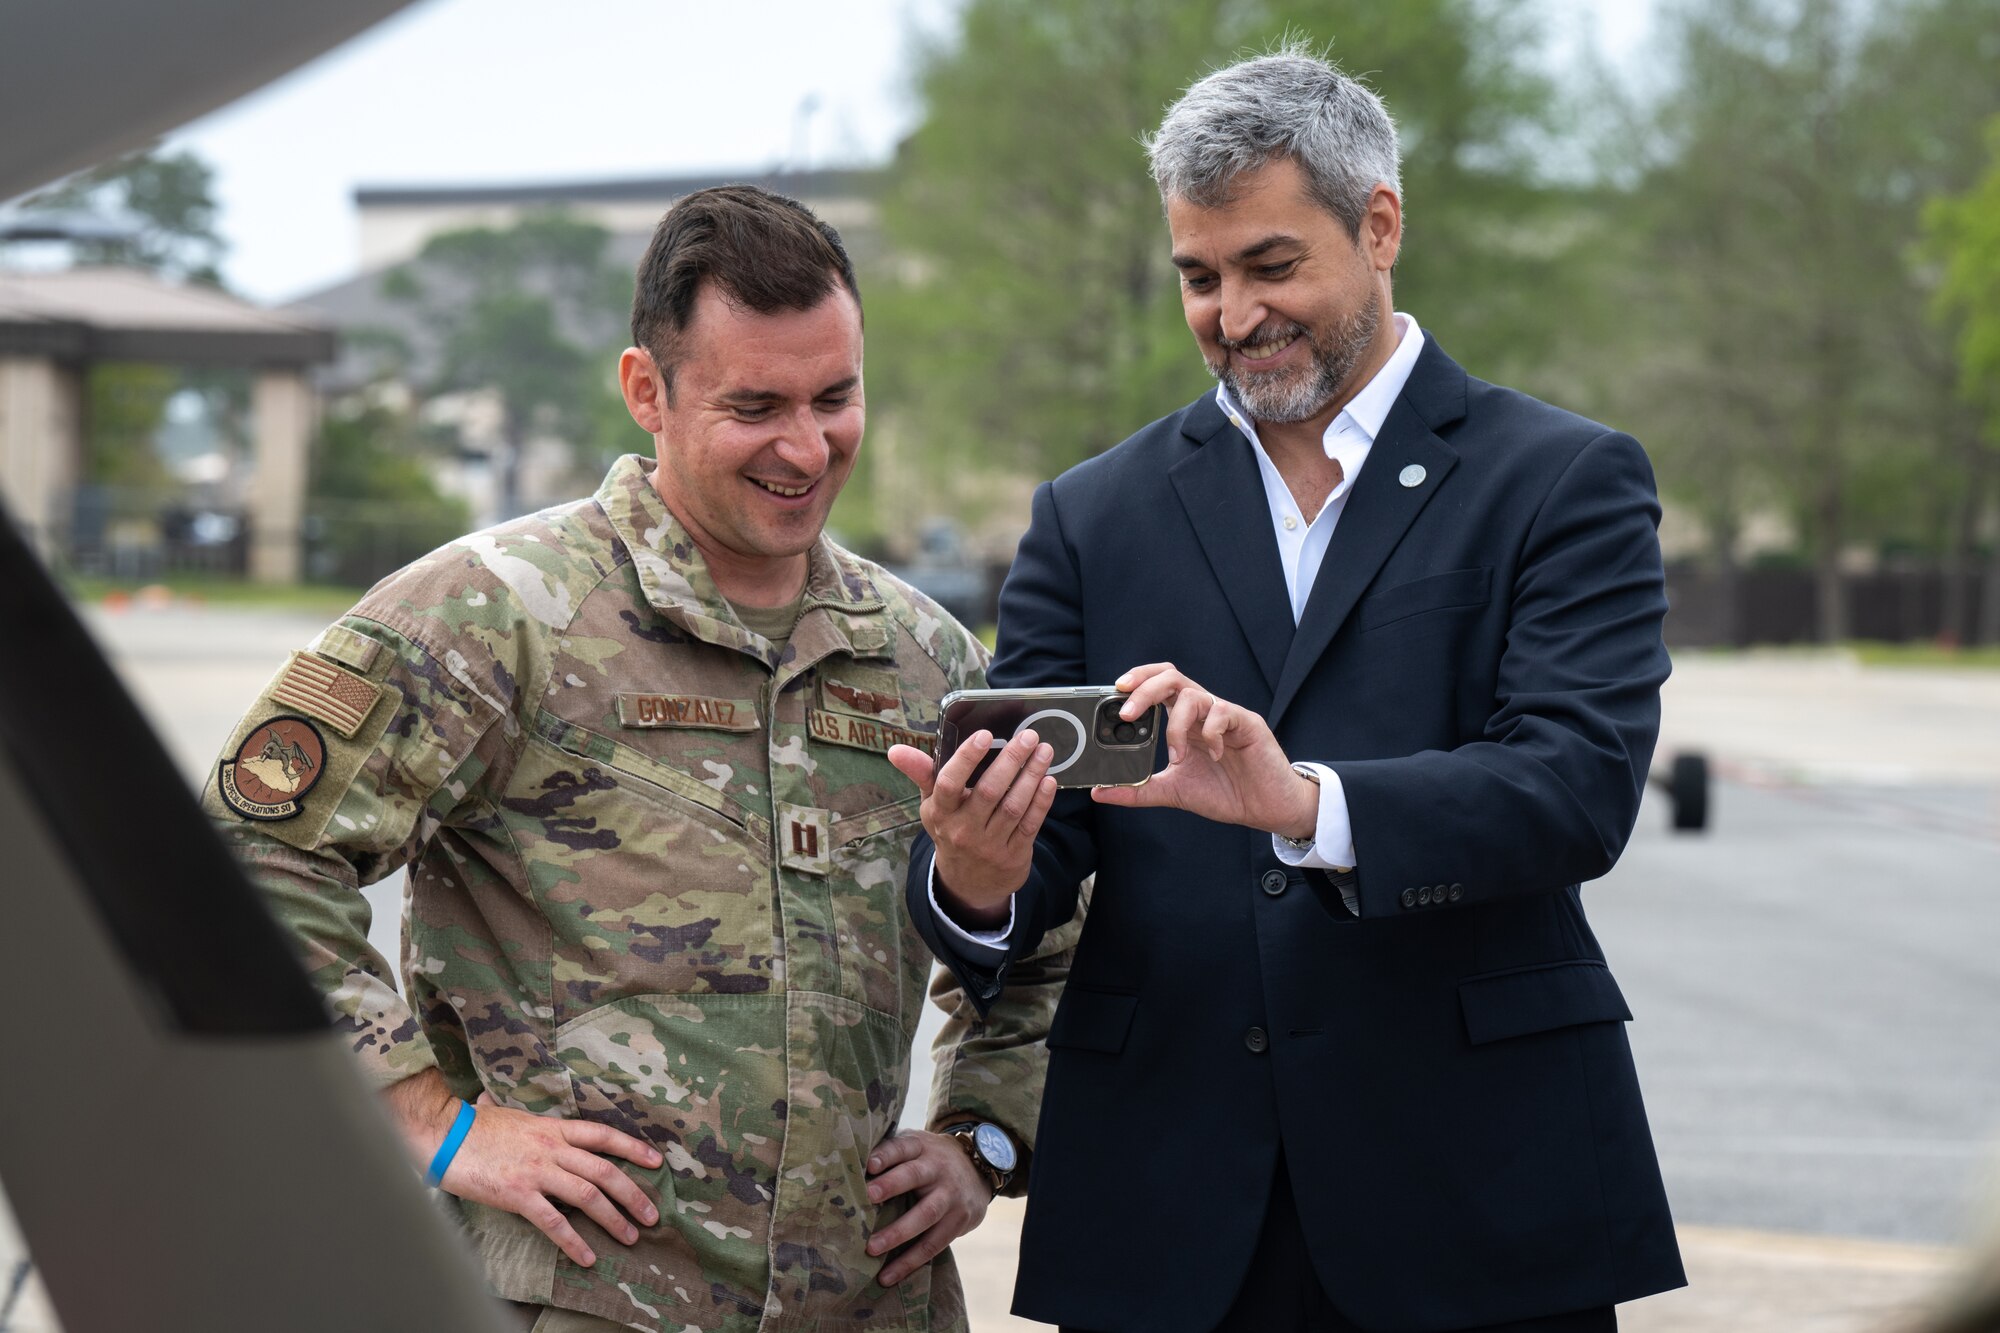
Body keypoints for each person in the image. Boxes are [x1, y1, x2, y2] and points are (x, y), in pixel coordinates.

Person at [891, 48, 1689, 1333]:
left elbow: (1572, 788)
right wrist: (976, 872)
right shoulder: (1089, 516)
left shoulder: (1562, 478)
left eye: (1270, 266)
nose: (1231, 313)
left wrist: (1306, 803)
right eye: (1198, 278)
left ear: (1378, 226)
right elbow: (1037, 847)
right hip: (1166, 1206)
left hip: (1474, 1191)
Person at [204, 184, 1053, 1333]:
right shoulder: (499, 613)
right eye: (753, 404)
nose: (805, 447)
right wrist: (430, 1120)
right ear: (645, 390)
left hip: (866, 1304)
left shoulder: (922, 657)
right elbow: (245, 854)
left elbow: (1044, 928)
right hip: (581, 1301)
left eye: (835, 397)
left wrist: (978, 1138)